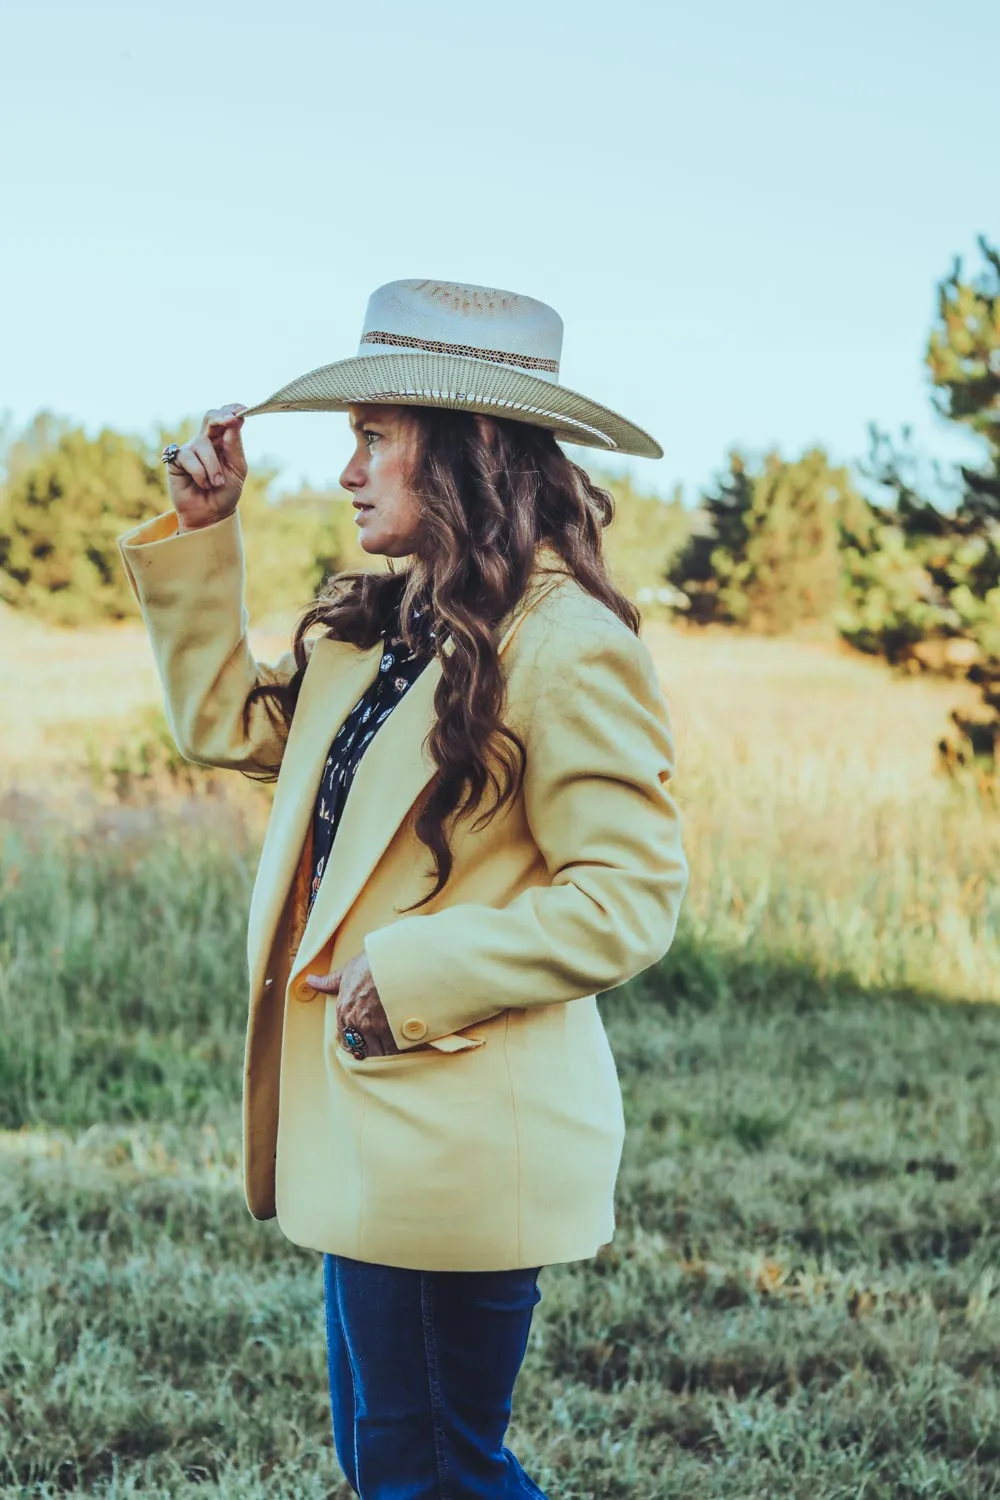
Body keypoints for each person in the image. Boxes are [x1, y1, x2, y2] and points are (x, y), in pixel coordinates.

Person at [118, 278, 690, 1499]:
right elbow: (227, 720)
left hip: (457, 1138)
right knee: (399, 1465)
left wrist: (417, 969)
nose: (348, 472)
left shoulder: (567, 642)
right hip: (367, 1135)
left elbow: (630, 894)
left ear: (474, 442)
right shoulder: (390, 634)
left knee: (433, 1474)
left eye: (375, 438)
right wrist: (207, 529)